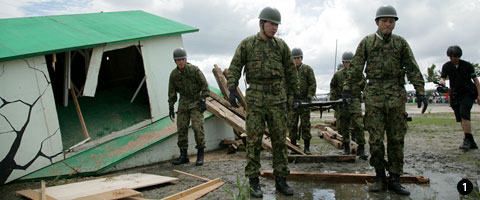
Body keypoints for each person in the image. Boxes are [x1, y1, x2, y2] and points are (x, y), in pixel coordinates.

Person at [342, 5, 427, 195]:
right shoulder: (367, 42)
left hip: (396, 95)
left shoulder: (401, 43)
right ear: (377, 23)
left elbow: (412, 67)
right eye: (384, 21)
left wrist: (420, 91)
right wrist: (347, 89)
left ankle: (395, 178)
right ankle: (380, 177)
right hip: (374, 95)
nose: (388, 24)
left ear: (395, 24)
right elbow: (355, 68)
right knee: (376, 139)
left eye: (391, 21)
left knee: (397, 139)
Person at [226, 7, 300, 197]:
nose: (274, 28)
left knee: (279, 141)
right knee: (253, 141)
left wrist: (296, 94)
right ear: (262, 23)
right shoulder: (248, 44)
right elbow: (235, 66)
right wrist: (232, 87)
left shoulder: (281, 46)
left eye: (276, 25)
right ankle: (253, 182)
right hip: (256, 98)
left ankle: (281, 180)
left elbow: (291, 72)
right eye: (271, 24)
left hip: (277, 98)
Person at [168, 47, 209, 166]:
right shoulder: (174, 75)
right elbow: (172, 92)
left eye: (182, 59)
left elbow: (205, 86)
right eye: (178, 60)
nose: (181, 62)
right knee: (181, 128)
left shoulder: (194, 70)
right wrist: (171, 106)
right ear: (175, 61)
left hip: (196, 102)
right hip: (183, 103)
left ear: (186, 59)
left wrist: (202, 100)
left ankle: (200, 154)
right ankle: (183, 155)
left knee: (197, 127)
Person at [440, 45, 480, 150]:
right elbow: (443, 78)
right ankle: (470, 141)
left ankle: (467, 140)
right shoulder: (446, 66)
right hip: (455, 94)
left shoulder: (467, 66)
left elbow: (476, 80)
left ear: (459, 56)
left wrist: (479, 95)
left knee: (464, 113)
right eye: (451, 57)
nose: (453, 59)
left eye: (456, 57)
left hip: (468, 93)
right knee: (460, 117)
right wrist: (442, 82)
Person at [330, 51, 367, 159]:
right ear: (343, 62)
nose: (348, 64)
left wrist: (366, 97)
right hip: (342, 102)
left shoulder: (358, 74)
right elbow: (332, 86)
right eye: (346, 62)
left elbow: (365, 87)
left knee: (359, 125)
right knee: (344, 126)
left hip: (354, 101)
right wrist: (334, 99)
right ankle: (346, 147)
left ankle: (361, 147)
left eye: (350, 62)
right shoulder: (338, 75)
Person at [288, 48, 317, 155]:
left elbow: (312, 84)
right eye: (294, 58)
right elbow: (285, 86)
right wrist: (287, 100)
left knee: (305, 124)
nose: (296, 60)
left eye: (298, 58)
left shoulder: (307, 69)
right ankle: (293, 146)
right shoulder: (289, 71)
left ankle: (307, 147)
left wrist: (309, 96)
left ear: (301, 58)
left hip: (304, 100)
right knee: (292, 124)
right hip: (293, 101)